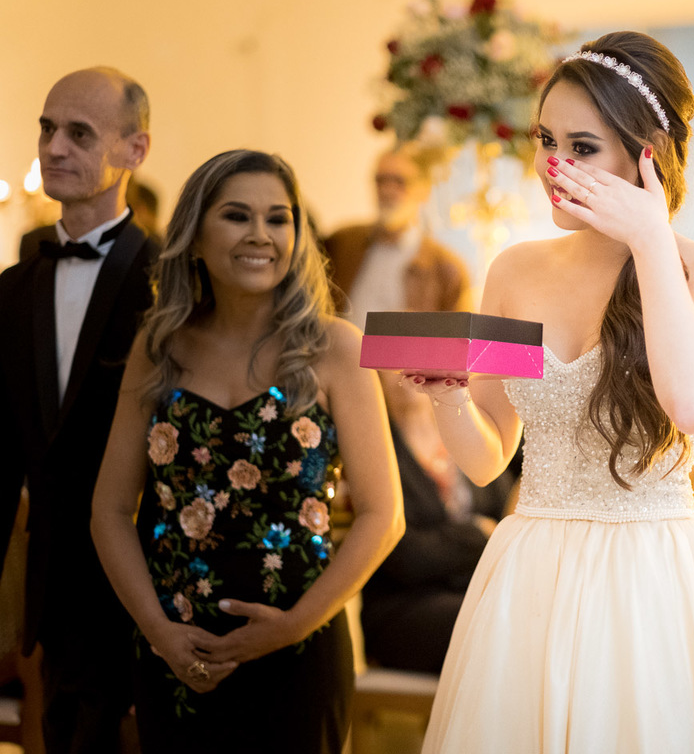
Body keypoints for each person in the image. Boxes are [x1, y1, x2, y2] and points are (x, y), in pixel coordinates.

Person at [406, 31, 694, 752]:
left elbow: (691, 405)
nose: (553, 167)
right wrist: (445, 397)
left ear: (645, 154)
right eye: (545, 140)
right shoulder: (514, 271)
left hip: (649, 579)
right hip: (528, 573)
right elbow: (488, 459)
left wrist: (651, 241)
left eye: (582, 147)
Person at [89, 150, 404, 753]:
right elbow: (108, 511)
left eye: (278, 218)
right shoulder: (158, 346)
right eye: (237, 216)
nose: (261, 235)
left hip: (301, 651)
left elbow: (384, 516)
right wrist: (160, 633)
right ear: (196, 236)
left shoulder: (337, 347)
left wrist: (292, 626)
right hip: (177, 655)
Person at [0, 66, 156, 754]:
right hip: (55, 590)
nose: (54, 148)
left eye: (79, 133)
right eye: (46, 128)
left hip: (157, 584)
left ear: (135, 151)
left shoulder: (174, 279)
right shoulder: (13, 289)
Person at [361, 264, 512, 675]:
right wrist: (477, 535)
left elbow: (503, 511)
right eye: (402, 350)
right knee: (499, 627)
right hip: (402, 608)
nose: (415, 364)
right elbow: (402, 555)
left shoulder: (470, 426)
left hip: (473, 591)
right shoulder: (377, 439)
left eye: (427, 347)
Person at [324, 143, 469, 329]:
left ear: (424, 190)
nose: (387, 190)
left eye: (399, 181)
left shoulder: (447, 269)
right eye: (381, 180)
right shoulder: (342, 243)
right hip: (344, 355)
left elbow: (460, 346)